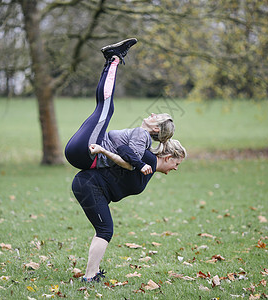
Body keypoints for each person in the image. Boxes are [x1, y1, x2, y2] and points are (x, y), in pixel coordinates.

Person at [72, 138, 187, 282]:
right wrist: (139, 163)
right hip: (89, 186)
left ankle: (92, 273)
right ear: (168, 157)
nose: (176, 168)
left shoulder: (150, 166)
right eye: (176, 164)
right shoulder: (147, 158)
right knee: (105, 230)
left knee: (102, 230)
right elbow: (123, 148)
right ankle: (90, 277)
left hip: (92, 188)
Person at [64, 38, 175, 175]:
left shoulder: (142, 135)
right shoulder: (141, 138)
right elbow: (131, 159)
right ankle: (111, 59)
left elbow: (129, 165)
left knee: (106, 108)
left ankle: (113, 58)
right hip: (82, 153)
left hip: (88, 152)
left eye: (156, 117)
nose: (153, 114)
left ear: (157, 128)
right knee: (104, 107)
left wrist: (104, 151)